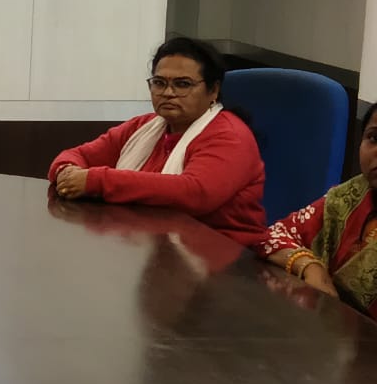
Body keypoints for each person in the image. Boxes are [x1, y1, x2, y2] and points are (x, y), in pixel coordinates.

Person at [48, 37, 266, 247]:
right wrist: (66, 173)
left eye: (182, 84)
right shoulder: (143, 127)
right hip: (154, 248)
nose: (168, 93)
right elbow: (77, 156)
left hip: (226, 256)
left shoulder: (230, 135)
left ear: (213, 90)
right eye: (159, 83)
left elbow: (195, 193)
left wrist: (96, 181)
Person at [258, 103, 377, 318]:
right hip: (325, 327)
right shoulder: (347, 198)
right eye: (373, 138)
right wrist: (310, 266)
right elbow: (273, 236)